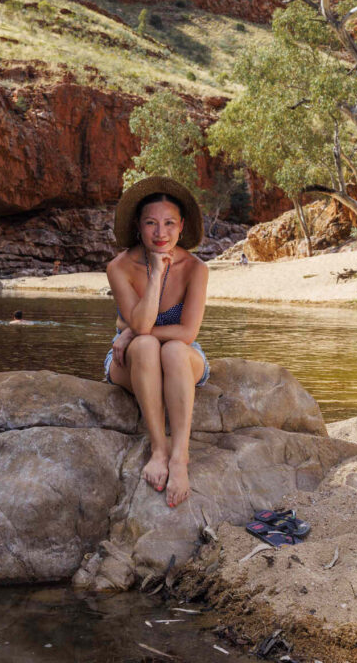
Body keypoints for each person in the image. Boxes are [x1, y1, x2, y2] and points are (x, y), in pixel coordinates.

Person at [105, 176, 209, 509]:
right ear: (138, 226)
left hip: (181, 359)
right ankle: (158, 449)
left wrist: (133, 330)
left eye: (168, 224)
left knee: (176, 349)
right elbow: (141, 322)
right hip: (133, 361)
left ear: (181, 227)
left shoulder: (196, 268)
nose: (160, 233)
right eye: (151, 223)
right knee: (148, 346)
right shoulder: (119, 267)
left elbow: (187, 334)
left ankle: (179, 457)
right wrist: (155, 275)